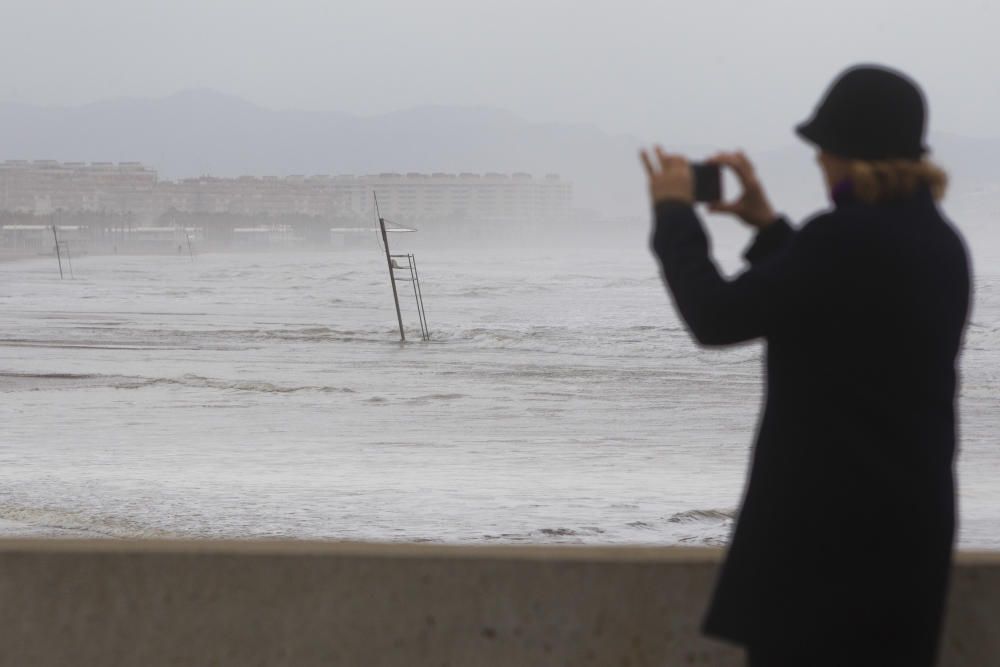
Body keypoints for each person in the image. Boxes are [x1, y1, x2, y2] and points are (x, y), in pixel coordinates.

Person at [641, 65, 971, 666]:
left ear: (846, 156)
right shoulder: (942, 244)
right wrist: (768, 227)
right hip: (912, 536)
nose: (819, 164)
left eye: (823, 151)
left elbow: (715, 317)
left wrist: (673, 215)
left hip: (825, 546)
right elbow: (837, 300)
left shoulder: (839, 240)